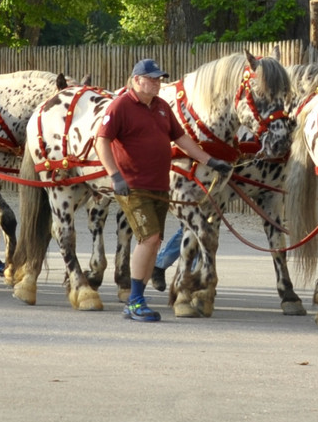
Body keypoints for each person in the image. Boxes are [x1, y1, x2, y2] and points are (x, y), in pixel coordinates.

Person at [97, 59, 226, 322]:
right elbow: (102, 140)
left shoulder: (161, 107)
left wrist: (209, 161)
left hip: (159, 185)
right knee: (149, 239)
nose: (157, 83)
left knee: (154, 244)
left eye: (159, 79)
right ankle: (133, 301)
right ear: (136, 80)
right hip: (133, 186)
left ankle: (137, 299)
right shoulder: (121, 105)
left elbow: (181, 139)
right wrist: (114, 175)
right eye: (151, 78)